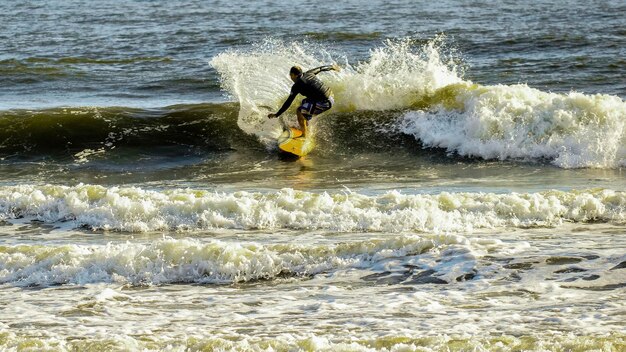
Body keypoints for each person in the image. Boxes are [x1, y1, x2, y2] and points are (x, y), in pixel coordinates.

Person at [268, 63, 340, 138]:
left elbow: (288, 102)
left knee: (299, 111)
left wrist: (277, 114)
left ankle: (304, 136)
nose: (290, 77)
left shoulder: (297, 85)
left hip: (325, 102)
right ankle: (305, 124)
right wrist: (332, 67)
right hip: (330, 96)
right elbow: (321, 68)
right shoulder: (309, 73)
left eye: (290, 75)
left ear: (293, 75)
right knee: (304, 102)